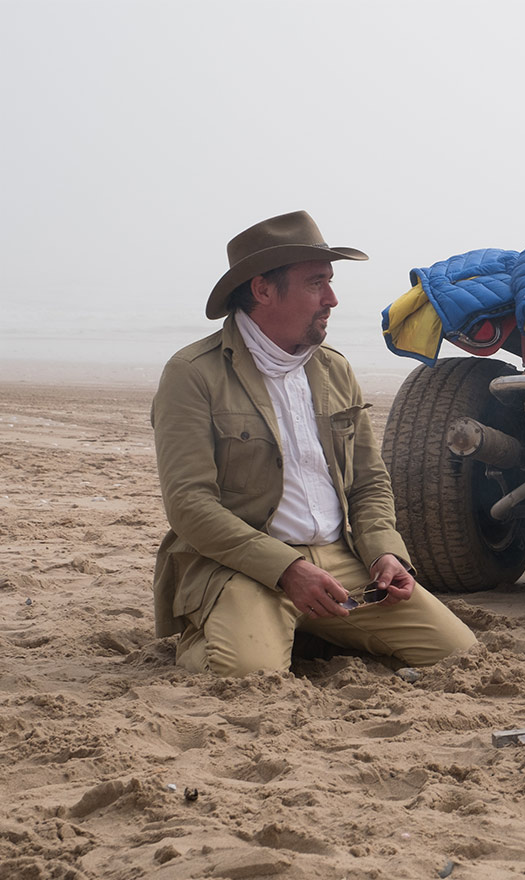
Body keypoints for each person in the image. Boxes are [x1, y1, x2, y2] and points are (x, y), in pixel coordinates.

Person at [151, 211, 477, 676]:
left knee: (458, 655)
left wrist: (385, 552)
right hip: (245, 565)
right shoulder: (193, 374)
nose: (332, 299)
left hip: (340, 559)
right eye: (315, 283)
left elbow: (368, 482)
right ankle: (225, 626)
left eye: (330, 282)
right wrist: (287, 570)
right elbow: (189, 505)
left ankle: (306, 628)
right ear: (263, 290)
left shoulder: (334, 370)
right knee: (249, 675)